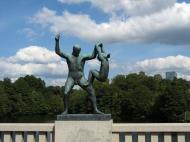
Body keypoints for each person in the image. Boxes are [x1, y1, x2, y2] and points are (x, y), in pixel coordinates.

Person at [55, 34, 103, 114]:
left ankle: (95, 109)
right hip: (71, 78)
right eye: (77, 51)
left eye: (79, 51)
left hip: (81, 78)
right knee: (66, 92)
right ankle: (66, 110)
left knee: (91, 91)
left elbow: (93, 56)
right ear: (73, 50)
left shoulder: (82, 57)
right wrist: (57, 41)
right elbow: (58, 52)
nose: (78, 52)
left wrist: (95, 47)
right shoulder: (68, 56)